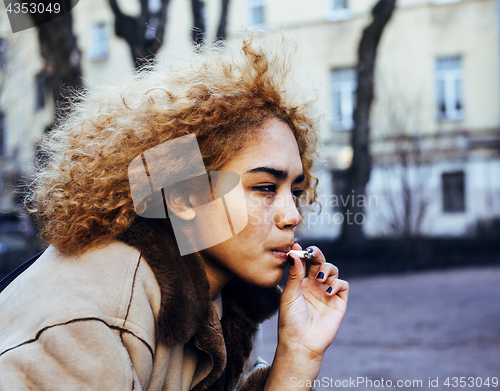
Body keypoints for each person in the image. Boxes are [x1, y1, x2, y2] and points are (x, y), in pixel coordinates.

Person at [0, 34, 349, 390]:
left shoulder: (223, 307)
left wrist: (297, 355)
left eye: (296, 190)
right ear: (183, 197)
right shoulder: (94, 318)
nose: (293, 215)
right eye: (264, 187)